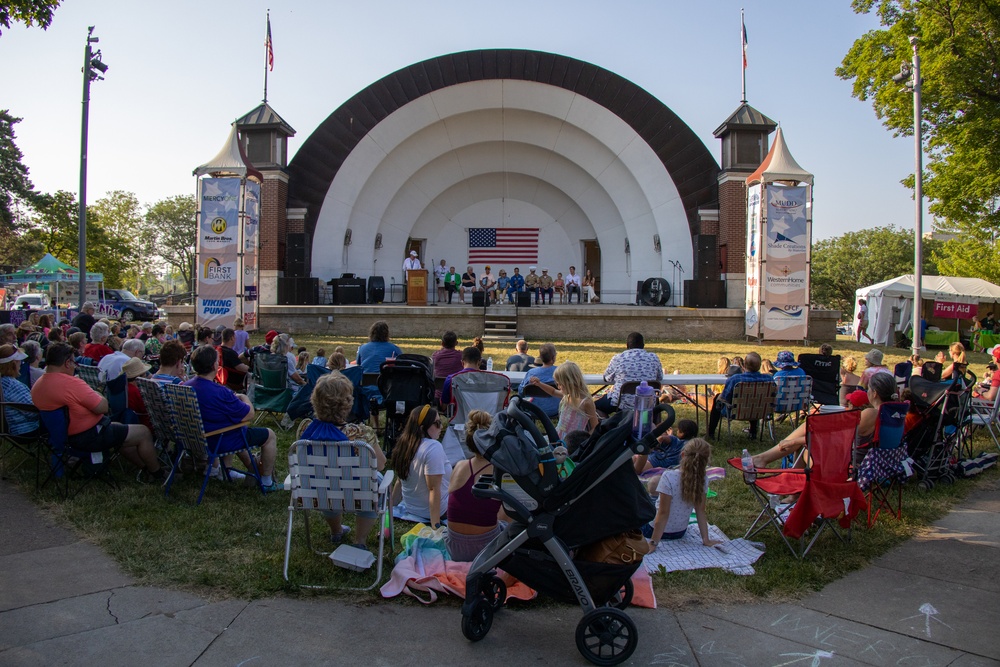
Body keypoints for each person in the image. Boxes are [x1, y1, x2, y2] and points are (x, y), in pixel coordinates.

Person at [32, 342, 164, 481]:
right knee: (143, 432)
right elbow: (103, 407)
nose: (74, 367)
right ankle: (157, 474)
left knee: (122, 431)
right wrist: (96, 392)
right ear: (67, 363)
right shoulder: (71, 384)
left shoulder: (38, 385)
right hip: (90, 436)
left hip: (61, 439)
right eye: (74, 363)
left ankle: (146, 469)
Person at [299, 372, 387, 549]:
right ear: (347, 403)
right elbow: (380, 464)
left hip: (318, 493)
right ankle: (359, 540)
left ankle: (336, 531)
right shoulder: (362, 433)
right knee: (372, 483)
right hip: (357, 493)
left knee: (326, 480)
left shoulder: (305, 430)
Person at [751, 373, 899, 470]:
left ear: (874, 393)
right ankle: (763, 459)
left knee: (806, 445)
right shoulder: (896, 413)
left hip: (855, 465)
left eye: (868, 389)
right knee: (809, 425)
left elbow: (838, 437)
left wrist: (796, 442)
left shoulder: (871, 414)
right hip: (883, 465)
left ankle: (790, 490)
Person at [183, 345, 281, 491]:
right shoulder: (220, 392)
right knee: (269, 435)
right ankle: (267, 481)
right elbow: (249, 414)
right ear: (214, 365)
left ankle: (243, 469)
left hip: (192, 439)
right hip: (216, 441)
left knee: (235, 424)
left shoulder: (185, 386)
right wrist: (244, 397)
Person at [445, 410, 506, 561]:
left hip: (454, 548)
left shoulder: (459, 466)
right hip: (486, 550)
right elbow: (507, 517)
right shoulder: (501, 472)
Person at [643, 438, 722, 549]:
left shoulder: (669, 476)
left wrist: (653, 543)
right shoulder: (703, 479)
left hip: (652, 531)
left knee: (640, 504)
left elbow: (663, 513)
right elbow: (700, 511)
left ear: (683, 455)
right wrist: (706, 539)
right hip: (679, 532)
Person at [390, 404, 452, 527]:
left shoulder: (404, 445)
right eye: (437, 423)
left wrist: (390, 508)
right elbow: (433, 488)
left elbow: (400, 480)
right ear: (423, 428)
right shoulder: (433, 447)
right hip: (437, 511)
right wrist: (435, 525)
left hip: (412, 508)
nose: (441, 427)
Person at [707, 351, 774, 439]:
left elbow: (725, 397)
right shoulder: (769, 379)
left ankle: (711, 433)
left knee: (717, 399)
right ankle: (753, 431)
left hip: (735, 412)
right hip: (760, 412)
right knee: (755, 399)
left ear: (744, 364)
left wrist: (718, 397)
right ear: (759, 365)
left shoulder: (735, 379)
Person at [595, 332, 664, 414]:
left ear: (627, 345)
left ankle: (606, 424)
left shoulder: (618, 358)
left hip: (620, 403)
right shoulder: (654, 358)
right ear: (643, 345)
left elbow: (607, 378)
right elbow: (660, 377)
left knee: (593, 407)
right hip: (646, 403)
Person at [528, 360, 598, 439]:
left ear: (570, 382)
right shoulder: (567, 395)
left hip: (572, 441)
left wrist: (584, 441)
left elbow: (595, 426)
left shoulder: (586, 402)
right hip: (559, 436)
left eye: (560, 384)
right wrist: (539, 384)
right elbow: (553, 391)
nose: (558, 387)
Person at [0, 344, 40, 438]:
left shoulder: (3, 382)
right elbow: (32, 412)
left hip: (9, 429)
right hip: (25, 430)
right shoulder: (12, 386)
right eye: (19, 362)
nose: (21, 365)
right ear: (13, 364)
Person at [518, 343, 560, 417]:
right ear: (553, 358)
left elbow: (521, 391)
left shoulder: (531, 373)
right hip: (555, 409)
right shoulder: (560, 372)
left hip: (533, 409)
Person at [121, 357, 153, 431]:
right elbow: (147, 410)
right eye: (145, 375)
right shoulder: (136, 392)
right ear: (140, 377)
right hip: (143, 424)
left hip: (129, 421)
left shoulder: (124, 387)